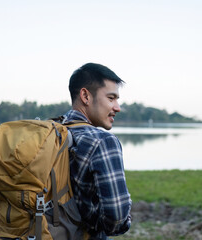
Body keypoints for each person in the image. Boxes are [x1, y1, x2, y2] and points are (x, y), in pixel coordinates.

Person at [61, 63, 132, 239]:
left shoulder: (55, 132)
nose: (117, 107)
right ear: (85, 96)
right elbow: (117, 219)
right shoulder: (102, 141)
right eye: (111, 98)